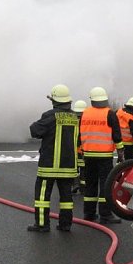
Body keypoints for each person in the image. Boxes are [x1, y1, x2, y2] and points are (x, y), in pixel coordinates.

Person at [27, 84, 80, 232]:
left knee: (42, 197)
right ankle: (65, 225)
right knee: (66, 198)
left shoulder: (50, 116)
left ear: (54, 100)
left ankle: (42, 225)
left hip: (49, 166)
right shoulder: (75, 117)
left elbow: (35, 131)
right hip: (68, 166)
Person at [80, 86, 124, 224]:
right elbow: (117, 135)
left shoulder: (84, 113)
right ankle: (105, 214)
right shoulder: (110, 114)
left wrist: (80, 151)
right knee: (105, 185)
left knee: (90, 185)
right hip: (104, 156)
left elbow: (79, 135)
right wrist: (121, 152)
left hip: (88, 155)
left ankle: (89, 214)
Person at [72, 99, 87, 195]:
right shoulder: (87, 121)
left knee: (74, 168)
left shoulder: (71, 120)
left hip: (72, 149)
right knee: (84, 169)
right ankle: (83, 187)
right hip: (83, 149)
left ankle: (75, 184)